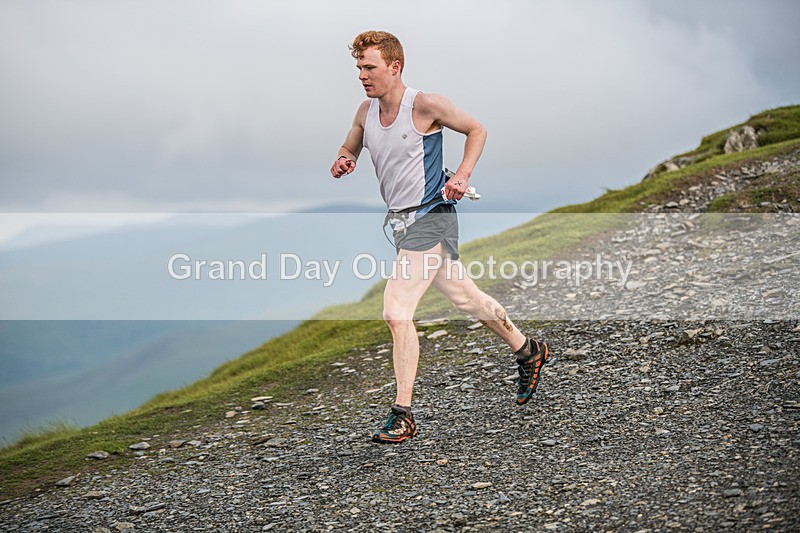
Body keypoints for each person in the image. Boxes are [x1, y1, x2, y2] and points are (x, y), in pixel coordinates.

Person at [331, 30, 549, 444]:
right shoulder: (365, 111)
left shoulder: (425, 105)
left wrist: (463, 175)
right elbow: (350, 145)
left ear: (394, 67)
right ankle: (528, 350)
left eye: (370, 67)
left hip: (433, 216)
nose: (362, 75)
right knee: (467, 298)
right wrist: (344, 159)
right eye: (359, 67)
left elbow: (477, 130)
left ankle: (403, 414)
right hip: (402, 223)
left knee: (397, 312)